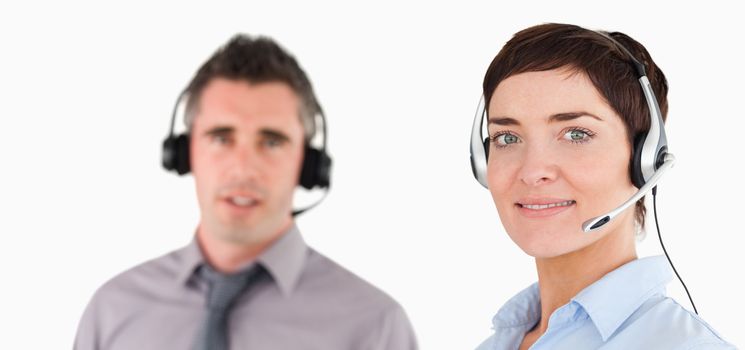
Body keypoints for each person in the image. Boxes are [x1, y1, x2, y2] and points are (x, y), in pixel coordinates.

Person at [74, 34, 417, 350]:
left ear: (308, 163)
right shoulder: (112, 311)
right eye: (222, 138)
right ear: (184, 152)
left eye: (271, 141)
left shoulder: (374, 327)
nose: (243, 167)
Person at [469, 23, 734, 349]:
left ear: (645, 160)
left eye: (576, 134)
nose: (533, 171)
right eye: (507, 138)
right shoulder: (499, 342)